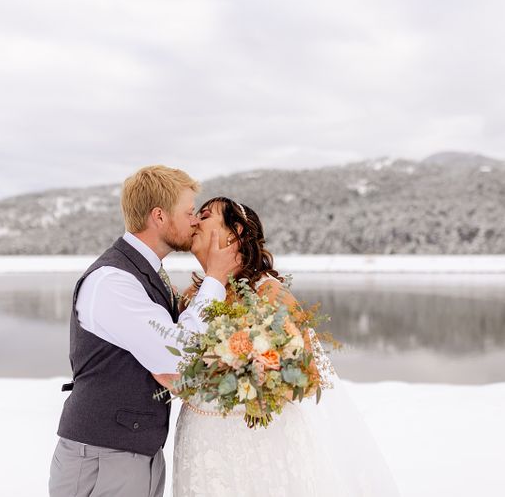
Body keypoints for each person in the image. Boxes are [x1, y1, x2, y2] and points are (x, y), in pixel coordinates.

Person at [172, 196, 402, 496]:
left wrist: (254, 375)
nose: (194, 221)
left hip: (257, 441)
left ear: (235, 231)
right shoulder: (191, 297)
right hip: (199, 441)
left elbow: (307, 377)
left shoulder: (268, 293)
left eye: (205, 215)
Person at [49, 167, 240, 497]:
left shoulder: (145, 273)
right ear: (159, 217)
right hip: (103, 455)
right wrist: (216, 278)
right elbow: (179, 355)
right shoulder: (113, 281)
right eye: (189, 212)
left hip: (134, 453)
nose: (195, 221)